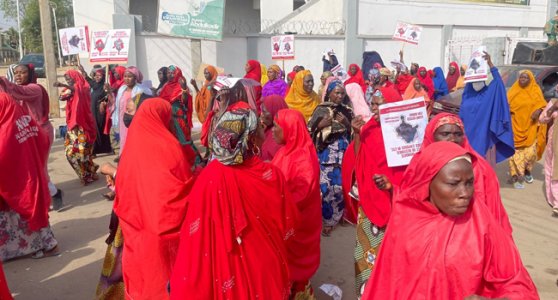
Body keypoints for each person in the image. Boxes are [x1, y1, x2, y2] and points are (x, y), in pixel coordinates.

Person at [362, 141, 539, 300]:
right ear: (428, 182)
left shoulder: (481, 221)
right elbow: (387, 283)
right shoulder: (405, 217)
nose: (465, 193)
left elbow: (515, 280)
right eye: (453, 184)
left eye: (469, 183)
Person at [170, 106, 297, 300]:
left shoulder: (207, 177)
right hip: (264, 269)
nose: (266, 132)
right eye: (261, 128)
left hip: (217, 273)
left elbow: (194, 234)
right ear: (251, 139)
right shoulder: (270, 176)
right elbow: (289, 223)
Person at [114, 98, 195, 299]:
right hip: (163, 228)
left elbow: (122, 188)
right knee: (163, 275)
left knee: (141, 272)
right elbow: (182, 189)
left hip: (135, 224)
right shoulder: (170, 147)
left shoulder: (130, 148)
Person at [407, 113, 513, 233]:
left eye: (458, 134)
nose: (452, 139)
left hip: (467, 234)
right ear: (431, 136)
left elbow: (491, 208)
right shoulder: (419, 163)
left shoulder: (480, 167)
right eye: (445, 134)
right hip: (425, 230)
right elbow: (409, 199)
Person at [350, 88, 406, 298]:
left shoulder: (406, 135)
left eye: (379, 104)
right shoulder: (369, 128)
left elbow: (411, 174)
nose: (374, 108)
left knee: (393, 261)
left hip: (397, 206)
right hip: (370, 203)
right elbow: (360, 160)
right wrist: (357, 134)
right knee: (363, 257)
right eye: (372, 104)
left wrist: (393, 186)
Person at [0, 93, 58, 261]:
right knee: (25, 210)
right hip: (29, 174)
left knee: (28, 209)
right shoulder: (21, 117)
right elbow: (42, 139)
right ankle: (16, 249)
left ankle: (49, 245)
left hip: (21, 180)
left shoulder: (6, 130)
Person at [271, 109, 321, 298]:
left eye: (277, 126)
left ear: (289, 128)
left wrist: (270, 199)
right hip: (284, 220)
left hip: (298, 225)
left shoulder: (303, 158)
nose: (273, 130)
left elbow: (299, 196)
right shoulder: (285, 151)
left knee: (295, 273)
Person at [0, 63, 63, 210]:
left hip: (40, 133)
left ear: (30, 74)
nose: (18, 76)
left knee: (39, 168)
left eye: (23, 73)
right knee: (32, 168)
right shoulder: (16, 91)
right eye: (16, 73)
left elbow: (18, 91)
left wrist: (3, 81)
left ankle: (53, 195)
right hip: (27, 134)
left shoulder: (35, 89)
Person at [308, 80, 353, 235]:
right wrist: (320, 125)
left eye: (342, 93)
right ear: (330, 93)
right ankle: (326, 219)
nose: (340, 96)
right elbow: (309, 130)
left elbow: (354, 132)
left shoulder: (347, 110)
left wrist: (347, 124)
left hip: (343, 153)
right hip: (326, 154)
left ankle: (337, 217)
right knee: (325, 187)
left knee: (341, 187)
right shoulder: (320, 110)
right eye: (337, 93)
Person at [460, 52, 515, 167]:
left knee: (482, 167)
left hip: (484, 135)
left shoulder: (488, 94)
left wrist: (490, 64)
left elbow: (499, 83)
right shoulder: (467, 95)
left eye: (479, 80)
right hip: (467, 136)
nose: (476, 84)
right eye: (474, 81)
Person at [54, 70, 99, 184]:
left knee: (84, 153)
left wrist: (65, 86)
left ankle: (89, 173)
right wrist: (66, 88)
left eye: (69, 77)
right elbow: (61, 97)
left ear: (75, 77)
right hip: (73, 126)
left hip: (83, 126)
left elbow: (78, 90)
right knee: (70, 153)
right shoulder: (70, 89)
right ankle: (85, 174)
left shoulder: (83, 87)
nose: (68, 80)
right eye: (66, 78)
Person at [507, 70, 547, 189]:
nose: (522, 79)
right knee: (514, 152)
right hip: (515, 125)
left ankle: (527, 170)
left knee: (530, 153)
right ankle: (514, 174)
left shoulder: (535, 90)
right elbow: (506, 104)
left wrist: (538, 110)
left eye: (525, 77)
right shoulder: (513, 90)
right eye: (521, 77)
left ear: (530, 79)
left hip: (530, 126)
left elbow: (542, 104)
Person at [160, 65, 202, 167]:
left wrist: (183, 89)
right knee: (173, 142)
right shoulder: (165, 86)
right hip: (168, 118)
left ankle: (197, 161)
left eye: (172, 73)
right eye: (168, 73)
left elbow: (184, 101)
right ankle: (182, 161)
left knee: (184, 141)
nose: (169, 75)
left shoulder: (181, 86)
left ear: (177, 74)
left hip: (178, 118)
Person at [107, 66, 152, 158]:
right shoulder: (122, 89)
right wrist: (109, 92)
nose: (127, 79)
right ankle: (125, 158)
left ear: (135, 78)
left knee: (134, 139)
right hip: (123, 120)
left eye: (130, 77)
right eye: (125, 76)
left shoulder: (141, 90)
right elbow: (116, 104)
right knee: (124, 139)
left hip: (134, 120)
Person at [78, 65, 113, 156]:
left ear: (103, 77)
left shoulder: (105, 86)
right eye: (96, 75)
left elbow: (109, 97)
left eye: (99, 76)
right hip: (92, 111)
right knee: (94, 129)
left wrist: (105, 98)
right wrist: (82, 70)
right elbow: (87, 79)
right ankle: (96, 150)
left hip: (100, 112)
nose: (97, 77)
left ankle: (99, 150)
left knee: (99, 129)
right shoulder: (94, 84)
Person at [539, 96, 558, 215]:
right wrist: (552, 109)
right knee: (551, 169)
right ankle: (555, 201)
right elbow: (542, 119)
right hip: (553, 142)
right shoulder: (553, 102)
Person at [107, 66, 127, 157]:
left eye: (116, 72)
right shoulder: (116, 83)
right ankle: (117, 151)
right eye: (114, 73)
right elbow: (112, 98)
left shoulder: (124, 85)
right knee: (115, 131)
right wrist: (109, 91)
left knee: (121, 130)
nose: (115, 75)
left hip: (123, 110)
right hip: (116, 111)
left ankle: (122, 151)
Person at [261, 95, 288, 161]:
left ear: (274, 111)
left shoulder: (280, 136)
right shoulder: (267, 131)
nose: (262, 115)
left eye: (264, 112)